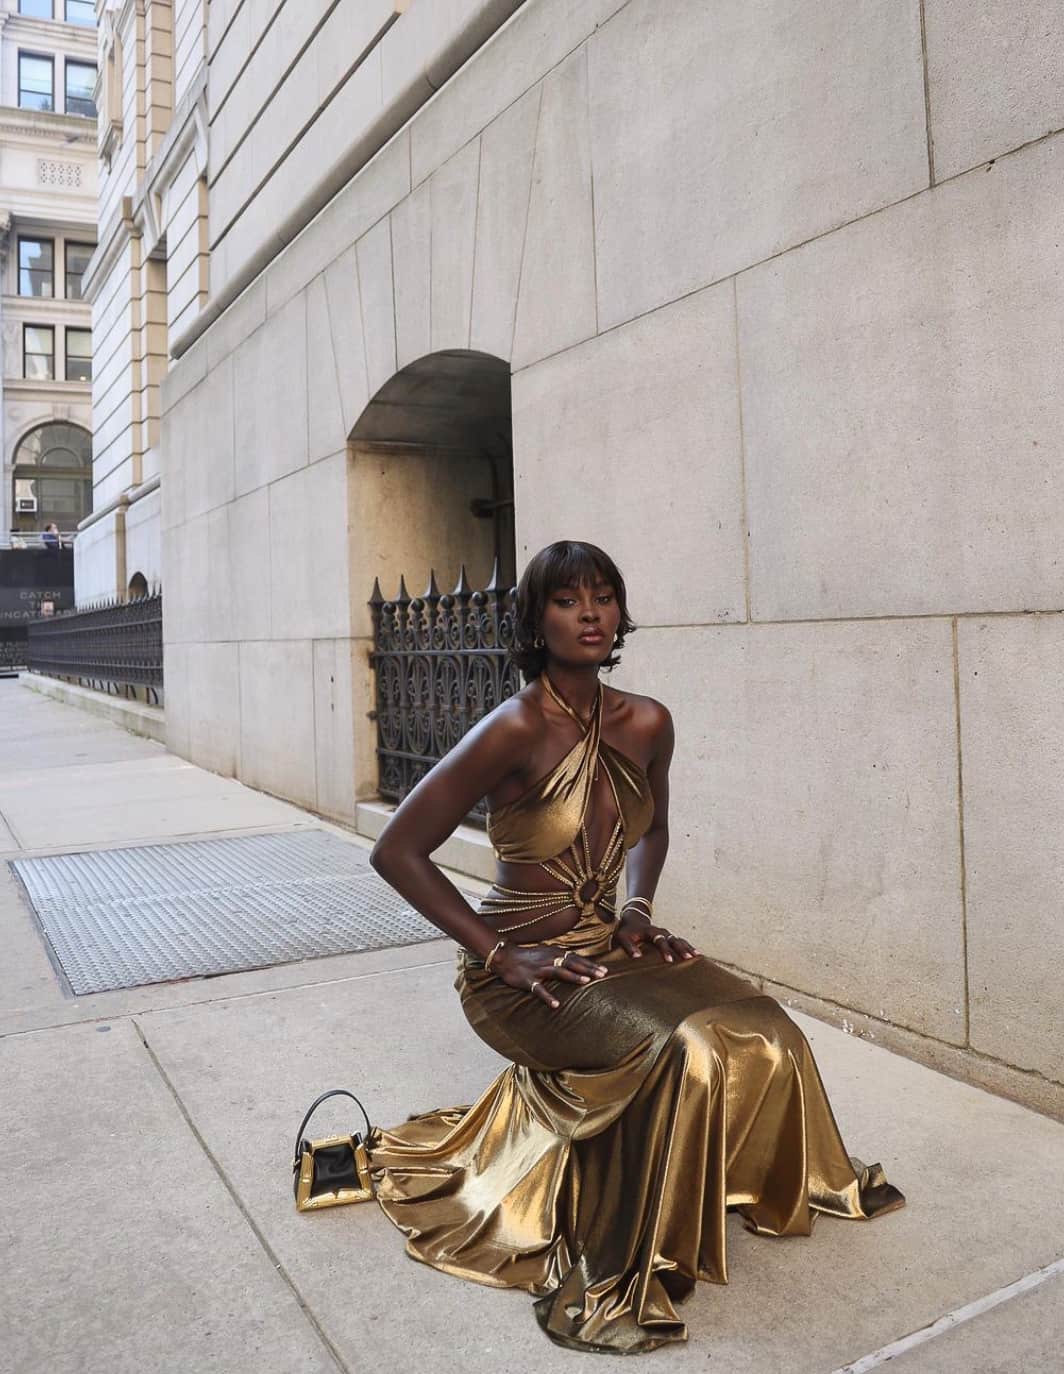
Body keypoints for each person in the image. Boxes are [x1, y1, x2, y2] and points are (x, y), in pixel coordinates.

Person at [367, 540, 903, 1355]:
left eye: (604, 596)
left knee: (769, 1025)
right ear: (536, 620)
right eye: (568, 599)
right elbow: (396, 850)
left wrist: (638, 909)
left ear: (620, 613)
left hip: (611, 947)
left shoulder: (648, 720)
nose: (589, 613)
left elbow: (651, 826)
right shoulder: (510, 729)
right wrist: (497, 953)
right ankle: (634, 1254)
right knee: (683, 1045)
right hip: (526, 977)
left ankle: (778, 1180)